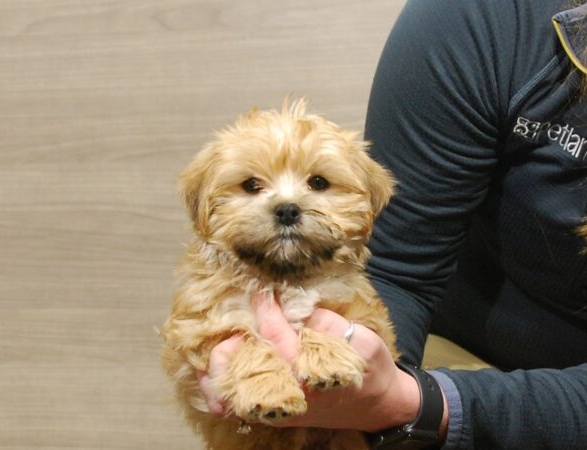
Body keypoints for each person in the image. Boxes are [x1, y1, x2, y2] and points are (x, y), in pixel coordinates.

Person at [198, 0, 587, 448]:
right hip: (463, 356)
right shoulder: (487, 20)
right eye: (252, 185)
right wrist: (371, 403)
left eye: (318, 182)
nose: (286, 204)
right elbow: (397, 270)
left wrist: (414, 405)